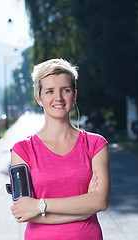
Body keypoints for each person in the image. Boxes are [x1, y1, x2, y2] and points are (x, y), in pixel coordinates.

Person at [10, 58, 111, 240]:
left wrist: (40, 205)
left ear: (74, 96)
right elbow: (24, 212)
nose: (58, 98)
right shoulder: (22, 150)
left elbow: (100, 201)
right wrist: (83, 210)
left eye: (66, 90)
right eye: (50, 91)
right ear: (39, 98)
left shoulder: (96, 145)